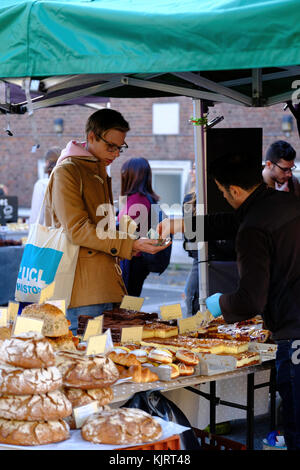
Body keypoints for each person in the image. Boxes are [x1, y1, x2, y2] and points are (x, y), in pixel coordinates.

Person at [158, 152, 300, 450]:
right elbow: (227, 222)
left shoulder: (252, 229)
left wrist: (218, 303)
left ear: (234, 190)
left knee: (297, 423)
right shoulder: (285, 202)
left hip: (294, 332)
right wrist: (178, 225)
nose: (224, 196)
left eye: (223, 191)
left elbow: (250, 300)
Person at [44, 108, 170, 334]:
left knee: (108, 361)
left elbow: (99, 229)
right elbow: (78, 229)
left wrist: (132, 241)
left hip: (104, 284)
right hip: (81, 289)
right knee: (87, 361)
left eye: (119, 147)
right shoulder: (68, 171)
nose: (115, 153)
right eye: (110, 146)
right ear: (91, 136)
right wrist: (130, 244)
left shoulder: (96, 168)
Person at [118, 157, 160, 296]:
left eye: (124, 171)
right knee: (131, 301)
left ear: (132, 174)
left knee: (128, 303)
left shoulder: (138, 199)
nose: (122, 175)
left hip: (134, 258)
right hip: (136, 258)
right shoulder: (141, 197)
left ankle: (131, 318)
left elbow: (126, 228)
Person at [29, 147, 61, 224]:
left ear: (47, 163)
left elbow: (36, 218)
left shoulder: (42, 185)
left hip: (48, 233)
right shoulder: (71, 183)